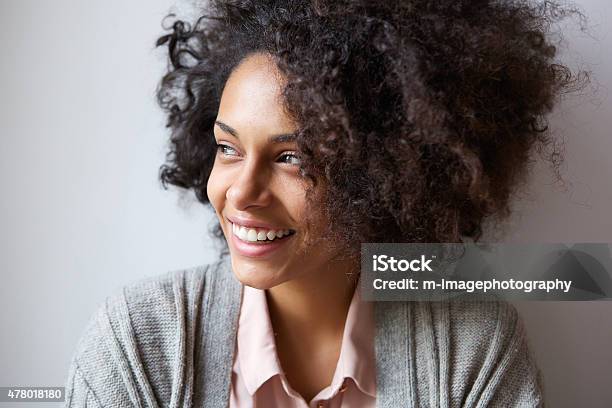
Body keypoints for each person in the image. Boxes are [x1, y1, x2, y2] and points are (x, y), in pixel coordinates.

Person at [64, 0, 585, 406]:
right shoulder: (138, 344)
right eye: (228, 148)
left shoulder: (472, 345)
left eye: (292, 158)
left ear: (382, 174)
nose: (241, 193)